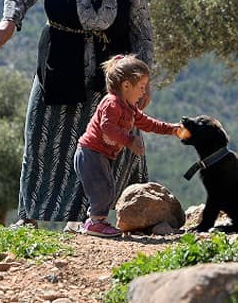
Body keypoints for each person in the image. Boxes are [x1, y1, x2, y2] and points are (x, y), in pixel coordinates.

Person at [0, 0, 155, 230]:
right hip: (59, 64)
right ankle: (30, 216)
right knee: (43, 139)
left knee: (106, 143)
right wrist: (9, 20)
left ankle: (99, 216)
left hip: (111, 74)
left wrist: (143, 82)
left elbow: (142, 33)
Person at [75, 54, 183, 237]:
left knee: (108, 187)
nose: (143, 92)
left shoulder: (130, 108)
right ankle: (95, 222)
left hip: (100, 154)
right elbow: (107, 127)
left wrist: (171, 129)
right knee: (101, 188)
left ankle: (96, 221)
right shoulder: (112, 103)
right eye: (141, 87)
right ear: (126, 85)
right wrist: (129, 140)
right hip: (90, 152)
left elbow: (148, 123)